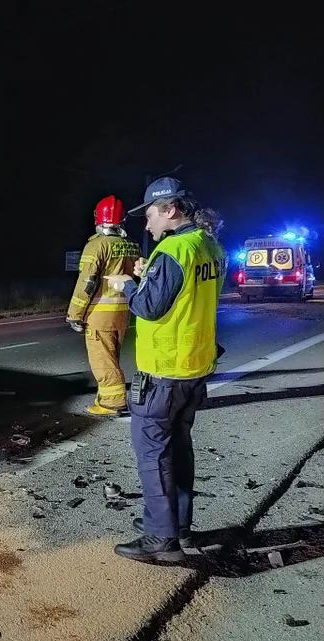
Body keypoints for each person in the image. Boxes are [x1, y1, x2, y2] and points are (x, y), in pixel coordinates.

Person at [104, 177, 227, 563]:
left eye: (151, 214)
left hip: (165, 371)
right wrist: (148, 275)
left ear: (170, 210)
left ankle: (161, 539)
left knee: (154, 454)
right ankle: (178, 525)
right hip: (195, 367)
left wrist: (127, 286)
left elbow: (149, 308)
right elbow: (182, 296)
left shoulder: (174, 249)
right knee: (180, 449)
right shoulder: (207, 245)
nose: (146, 223)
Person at [66, 196, 141, 416]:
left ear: (99, 218)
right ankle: (106, 397)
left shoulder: (96, 245)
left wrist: (74, 314)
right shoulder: (131, 245)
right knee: (111, 357)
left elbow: (87, 283)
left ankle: (112, 402)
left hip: (100, 314)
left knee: (103, 359)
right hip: (123, 312)